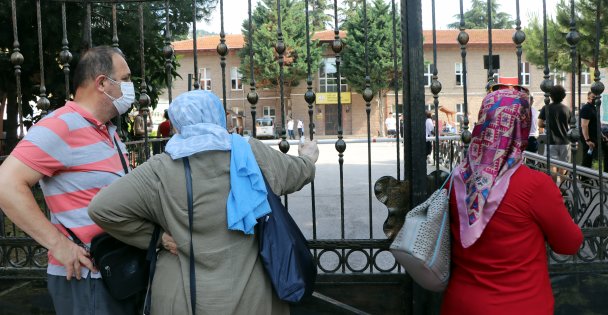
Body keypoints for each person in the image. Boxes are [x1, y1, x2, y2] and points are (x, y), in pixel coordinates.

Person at [88, 90, 318, 315]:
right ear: (218, 117)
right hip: (253, 299)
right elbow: (297, 173)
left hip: (183, 299)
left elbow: (103, 209)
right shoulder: (248, 152)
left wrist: (157, 238)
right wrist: (308, 156)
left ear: (177, 125)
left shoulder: (160, 169)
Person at [0, 46, 138, 314]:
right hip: (86, 279)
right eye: (126, 79)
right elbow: (6, 184)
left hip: (115, 271)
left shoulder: (107, 131)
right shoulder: (60, 125)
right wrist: (58, 244)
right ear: (102, 83)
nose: (130, 87)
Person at [441, 85, 582, 315]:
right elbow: (570, 243)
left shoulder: (456, 180)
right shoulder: (536, 186)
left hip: (461, 303)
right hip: (523, 304)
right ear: (522, 128)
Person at [538, 85, 571, 182]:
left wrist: (548, 125)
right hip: (565, 142)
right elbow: (570, 124)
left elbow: (540, 123)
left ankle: (554, 188)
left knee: (552, 166)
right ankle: (563, 188)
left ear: (551, 96)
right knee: (563, 166)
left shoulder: (546, 108)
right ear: (563, 96)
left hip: (551, 141)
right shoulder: (566, 109)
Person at [580, 91, 608, 172]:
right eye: (593, 97)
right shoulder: (586, 108)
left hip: (596, 136)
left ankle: (605, 174)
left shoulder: (594, 108)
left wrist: (602, 135)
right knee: (588, 158)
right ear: (588, 98)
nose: (595, 99)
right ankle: (585, 179)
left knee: (605, 151)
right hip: (590, 138)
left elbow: (596, 124)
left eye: (597, 97)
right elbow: (584, 125)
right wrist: (587, 140)